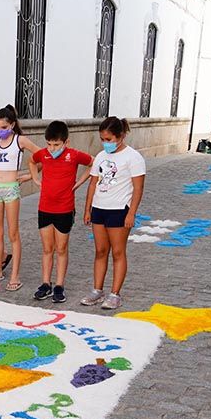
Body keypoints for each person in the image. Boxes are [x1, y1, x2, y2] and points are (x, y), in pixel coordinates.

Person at [81, 116, 146, 310]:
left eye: (109, 139)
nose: (105, 143)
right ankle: (97, 290)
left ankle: (115, 293)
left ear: (121, 136)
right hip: (100, 208)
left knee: (118, 252)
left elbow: (138, 187)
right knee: (100, 251)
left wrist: (131, 213)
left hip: (119, 209)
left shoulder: (133, 157)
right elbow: (93, 182)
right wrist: (88, 209)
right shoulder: (101, 156)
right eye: (102, 139)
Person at [0, 104, 41, 291]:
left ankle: (15, 276)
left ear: (12, 125)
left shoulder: (20, 140)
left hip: (11, 188)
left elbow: (42, 156)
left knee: (13, 233)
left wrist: (31, 176)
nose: (1, 131)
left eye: (4, 127)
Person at [27, 120, 92, 303]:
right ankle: (46, 283)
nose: (52, 148)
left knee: (61, 248)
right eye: (49, 144)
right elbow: (31, 161)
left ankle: (59, 285)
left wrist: (79, 182)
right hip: (45, 207)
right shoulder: (44, 154)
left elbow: (92, 163)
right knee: (47, 248)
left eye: (56, 144)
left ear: (66, 143)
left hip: (64, 208)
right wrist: (35, 178)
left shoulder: (74, 155)